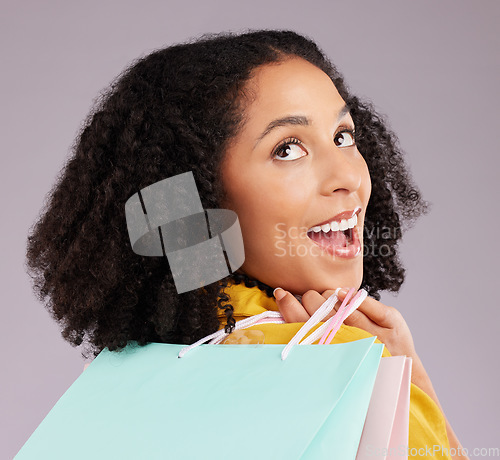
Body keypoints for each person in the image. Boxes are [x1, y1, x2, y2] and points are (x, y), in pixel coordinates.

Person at [25, 29, 467, 459]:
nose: (349, 176)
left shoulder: (134, 376)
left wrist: (410, 371)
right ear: (204, 195)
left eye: (343, 136)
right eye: (288, 149)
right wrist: (402, 390)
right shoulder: (350, 378)